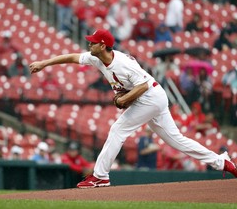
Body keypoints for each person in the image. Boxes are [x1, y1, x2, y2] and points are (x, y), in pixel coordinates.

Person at [29, 29, 237, 188]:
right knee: (177, 141)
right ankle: (221, 161)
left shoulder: (122, 64)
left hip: (151, 96)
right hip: (151, 97)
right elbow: (73, 57)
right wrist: (45, 63)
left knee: (118, 130)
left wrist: (124, 99)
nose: (89, 44)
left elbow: (144, 85)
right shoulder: (97, 58)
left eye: (93, 42)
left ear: (103, 46)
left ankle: (100, 177)